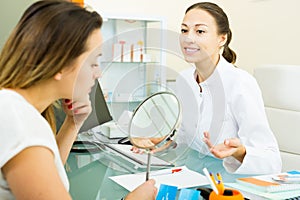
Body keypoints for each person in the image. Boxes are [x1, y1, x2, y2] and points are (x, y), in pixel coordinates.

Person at [0, 1, 157, 199]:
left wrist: (73, 123)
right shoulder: (20, 121)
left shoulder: (15, 109)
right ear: (61, 65)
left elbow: (47, 172)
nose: (98, 73)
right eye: (93, 63)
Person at [175, 2, 282, 174]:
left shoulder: (240, 83)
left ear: (221, 39)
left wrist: (240, 153)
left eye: (200, 31)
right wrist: (162, 144)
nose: (189, 38)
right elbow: (185, 138)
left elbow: (271, 160)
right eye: (184, 30)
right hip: (193, 174)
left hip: (229, 181)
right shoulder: (184, 79)